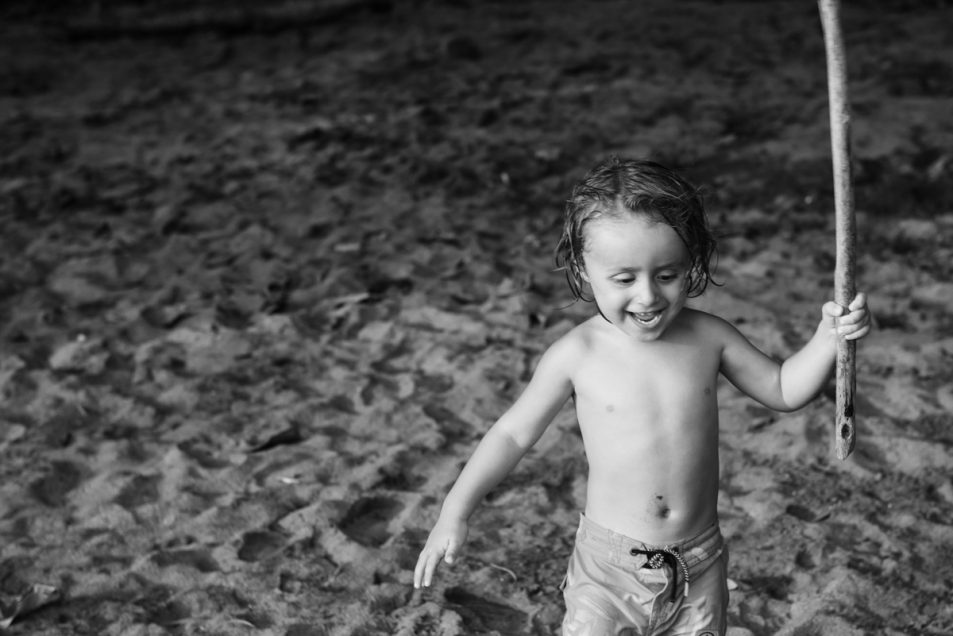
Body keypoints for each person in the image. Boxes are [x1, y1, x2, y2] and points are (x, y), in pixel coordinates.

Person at [412, 157, 871, 635]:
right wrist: (455, 511)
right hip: (607, 569)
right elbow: (512, 433)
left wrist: (829, 336)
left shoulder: (709, 337)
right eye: (625, 279)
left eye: (667, 274)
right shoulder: (577, 353)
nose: (649, 297)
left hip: (698, 564)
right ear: (583, 268)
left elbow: (782, 389)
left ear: (691, 262)